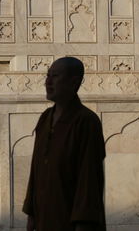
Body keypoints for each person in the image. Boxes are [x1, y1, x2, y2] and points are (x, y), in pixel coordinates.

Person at [23, 57, 106, 231]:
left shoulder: (86, 121)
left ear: (74, 82)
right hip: (44, 219)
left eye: (55, 76)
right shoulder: (45, 119)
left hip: (71, 222)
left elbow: (89, 179)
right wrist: (31, 214)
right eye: (48, 76)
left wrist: (83, 224)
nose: (48, 82)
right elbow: (36, 171)